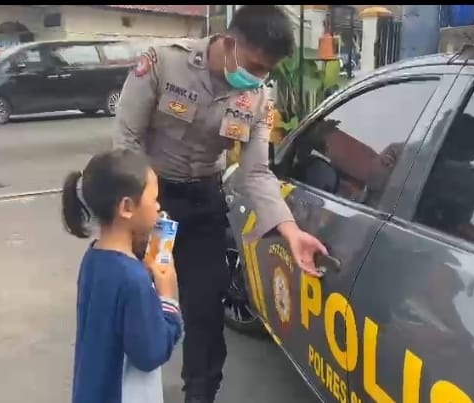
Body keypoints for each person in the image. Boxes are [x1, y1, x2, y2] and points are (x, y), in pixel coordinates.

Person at [113, 5, 328, 402]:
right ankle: (128, 392)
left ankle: (200, 394)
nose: (258, 78)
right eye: (255, 66)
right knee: (140, 297)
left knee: (206, 309)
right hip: (153, 204)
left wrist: (290, 231)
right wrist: (142, 212)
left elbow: (256, 172)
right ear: (229, 43)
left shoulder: (257, 99)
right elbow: (127, 143)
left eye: (267, 71)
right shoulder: (163, 64)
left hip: (203, 204)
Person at [62, 149, 183, 403]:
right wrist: (168, 297)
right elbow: (151, 352)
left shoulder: (94, 257)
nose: (159, 207)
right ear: (127, 207)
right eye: (154, 199)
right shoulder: (134, 280)